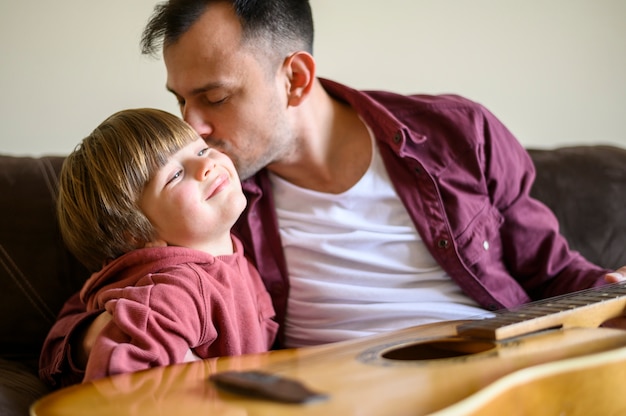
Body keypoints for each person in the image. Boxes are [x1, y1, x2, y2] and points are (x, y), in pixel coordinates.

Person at [40, 0, 626, 387]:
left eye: (214, 98)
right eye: (180, 100)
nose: (191, 128)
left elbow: (554, 272)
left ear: (294, 78)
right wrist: (116, 335)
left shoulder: (456, 134)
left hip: (496, 384)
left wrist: (607, 290)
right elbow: (107, 297)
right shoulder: (206, 207)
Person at [55, 108, 277, 382]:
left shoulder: (234, 255)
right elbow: (122, 387)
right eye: (175, 175)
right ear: (136, 235)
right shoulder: (175, 291)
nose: (206, 165)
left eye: (201, 150)